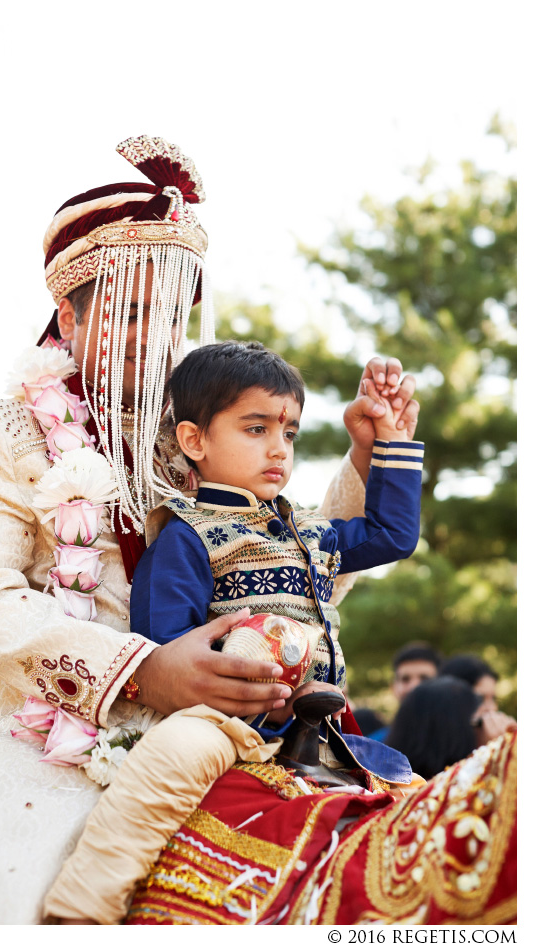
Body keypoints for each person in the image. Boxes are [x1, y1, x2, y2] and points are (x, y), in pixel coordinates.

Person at [0, 135, 410, 924]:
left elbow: (291, 562)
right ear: (70, 317)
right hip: (61, 743)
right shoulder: (4, 429)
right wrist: (144, 673)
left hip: (243, 720)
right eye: (132, 311)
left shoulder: (188, 432)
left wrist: (367, 452)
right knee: (8, 895)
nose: (157, 336)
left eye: (171, 315)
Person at [43, 340, 424, 924]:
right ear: (195, 441)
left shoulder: (312, 532)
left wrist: (388, 440)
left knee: (418, 793)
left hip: (323, 722)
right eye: (256, 429)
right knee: (174, 756)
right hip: (227, 722)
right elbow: (166, 647)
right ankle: (79, 912)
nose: (279, 448)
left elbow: (393, 536)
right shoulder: (187, 535)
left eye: (290, 433)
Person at [386, 675, 516, 780]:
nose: (482, 731)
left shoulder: (384, 788)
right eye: (479, 722)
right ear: (450, 733)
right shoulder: (443, 795)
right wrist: (503, 756)